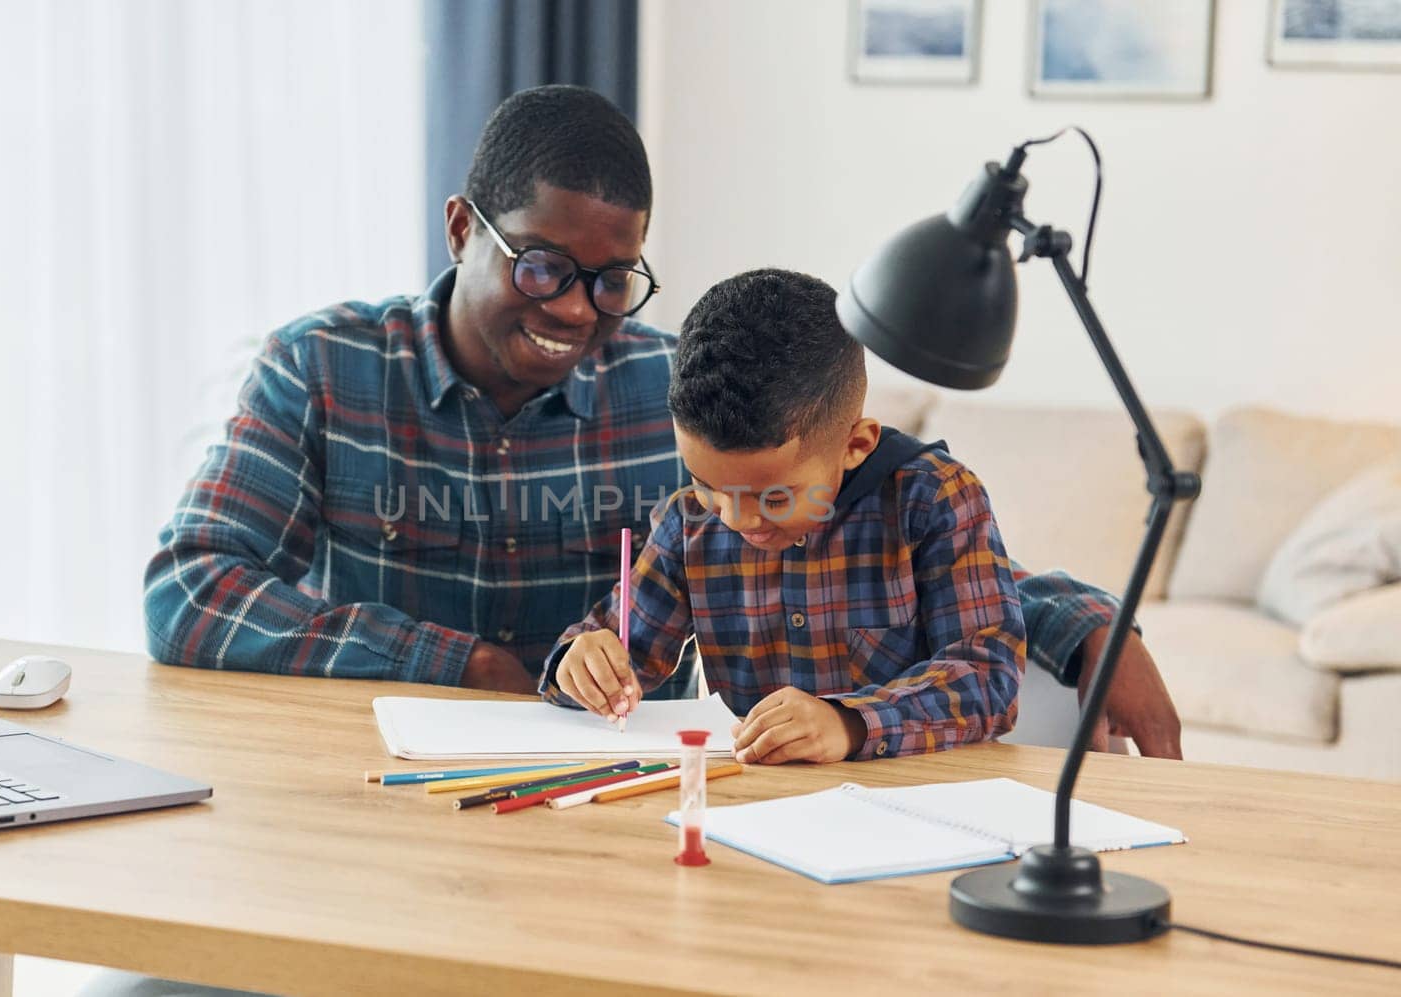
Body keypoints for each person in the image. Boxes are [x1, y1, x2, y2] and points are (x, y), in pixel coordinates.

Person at [142, 83, 1181, 759]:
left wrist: (1086, 622)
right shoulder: (322, 369)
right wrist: (460, 662)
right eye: (543, 265)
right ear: (463, 227)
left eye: (609, 280)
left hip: (597, 798)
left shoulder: (676, 391)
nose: (571, 310)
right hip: (385, 777)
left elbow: (880, 523)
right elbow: (189, 591)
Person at [545, 269, 1025, 763]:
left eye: (774, 498)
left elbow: (989, 677)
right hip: (752, 804)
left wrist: (850, 722)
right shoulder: (689, 522)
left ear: (856, 445)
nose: (736, 519)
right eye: (707, 484)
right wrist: (580, 665)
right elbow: (621, 652)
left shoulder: (933, 499)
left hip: (914, 804)